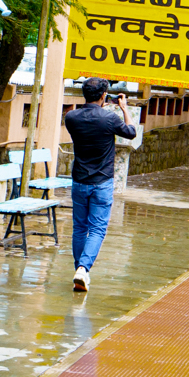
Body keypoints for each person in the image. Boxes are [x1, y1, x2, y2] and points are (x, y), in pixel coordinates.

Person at [63, 77, 137, 291]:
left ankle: (80, 270)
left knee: (79, 227)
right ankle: (83, 269)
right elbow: (131, 132)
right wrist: (124, 109)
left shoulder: (71, 117)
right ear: (104, 95)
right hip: (102, 182)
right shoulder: (109, 119)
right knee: (97, 229)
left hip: (79, 181)